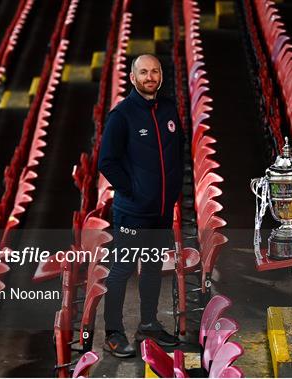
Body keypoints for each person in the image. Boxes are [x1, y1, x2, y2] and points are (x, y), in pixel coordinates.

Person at [98, 54, 185, 358]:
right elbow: (105, 161)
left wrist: (171, 191)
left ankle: (148, 324)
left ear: (161, 76)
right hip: (132, 212)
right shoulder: (121, 116)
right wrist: (132, 191)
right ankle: (112, 332)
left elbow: (178, 153)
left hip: (160, 212)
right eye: (144, 72)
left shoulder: (170, 109)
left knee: (151, 269)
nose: (150, 77)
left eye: (155, 71)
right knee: (121, 270)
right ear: (133, 78)